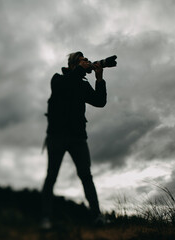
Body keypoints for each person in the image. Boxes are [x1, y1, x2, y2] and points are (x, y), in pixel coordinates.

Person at [41, 51, 107, 228]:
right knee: (51, 176)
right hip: (56, 135)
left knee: (86, 176)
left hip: (78, 137)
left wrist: (99, 79)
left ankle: (97, 216)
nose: (86, 62)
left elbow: (100, 102)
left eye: (86, 60)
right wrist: (79, 70)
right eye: (81, 61)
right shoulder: (58, 79)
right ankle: (45, 218)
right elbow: (64, 87)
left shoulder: (82, 84)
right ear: (72, 65)